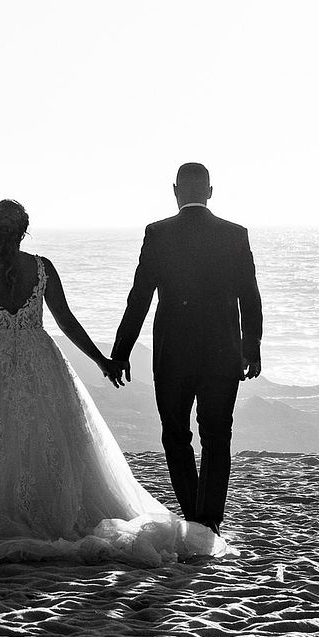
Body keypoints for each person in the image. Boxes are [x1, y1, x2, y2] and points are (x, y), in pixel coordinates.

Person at [0, 199, 226, 565]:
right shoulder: (43, 268)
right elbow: (66, 320)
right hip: (37, 359)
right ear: (25, 231)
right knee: (39, 437)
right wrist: (102, 361)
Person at [110, 162, 263, 534]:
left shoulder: (158, 233)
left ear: (175, 190)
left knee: (175, 434)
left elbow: (139, 299)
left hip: (172, 352)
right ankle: (209, 519)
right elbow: (250, 296)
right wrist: (252, 347)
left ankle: (194, 517)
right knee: (217, 434)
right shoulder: (235, 234)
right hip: (223, 350)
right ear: (210, 192)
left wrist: (121, 351)